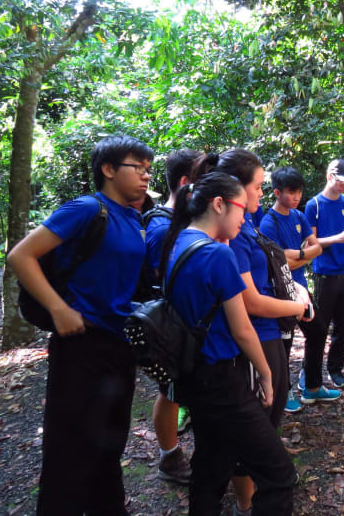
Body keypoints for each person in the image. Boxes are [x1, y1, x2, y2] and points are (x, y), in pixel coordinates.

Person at [8, 135, 154, 515]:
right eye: (136, 167)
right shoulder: (88, 209)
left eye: (148, 169)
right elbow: (21, 255)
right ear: (108, 170)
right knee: (70, 449)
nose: (145, 176)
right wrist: (58, 308)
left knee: (110, 442)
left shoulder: (134, 218)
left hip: (117, 344)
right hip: (80, 344)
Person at [159, 170, 295, 516]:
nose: (245, 216)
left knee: (210, 463)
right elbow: (242, 329)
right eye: (240, 209)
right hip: (223, 379)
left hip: (193, 376)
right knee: (278, 473)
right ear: (218, 205)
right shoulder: (218, 255)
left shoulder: (178, 243)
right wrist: (266, 374)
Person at [202, 150, 309, 515]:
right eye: (259, 187)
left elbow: (275, 262)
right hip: (257, 337)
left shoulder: (248, 222)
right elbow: (250, 301)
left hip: (270, 334)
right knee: (256, 430)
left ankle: (245, 499)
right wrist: (298, 307)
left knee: (263, 423)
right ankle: (246, 502)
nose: (263, 194)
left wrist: (297, 286)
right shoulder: (230, 236)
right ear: (235, 189)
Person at [144, 148, 200, 485]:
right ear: (185, 183)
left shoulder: (182, 220)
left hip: (190, 326)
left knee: (178, 390)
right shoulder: (162, 227)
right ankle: (170, 456)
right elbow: (162, 278)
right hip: (173, 327)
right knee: (170, 391)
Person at [259, 166, 323, 413]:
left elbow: (316, 247)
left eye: (299, 192)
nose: (296, 197)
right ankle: (282, 393)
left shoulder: (298, 216)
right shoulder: (269, 222)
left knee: (317, 331)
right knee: (283, 346)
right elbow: (275, 261)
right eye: (291, 192)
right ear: (277, 192)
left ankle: (312, 385)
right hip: (280, 293)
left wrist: (295, 256)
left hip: (302, 290)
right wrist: (303, 254)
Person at [301, 158, 344, 398]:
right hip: (324, 271)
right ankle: (310, 374)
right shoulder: (314, 205)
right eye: (340, 181)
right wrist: (336, 238)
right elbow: (310, 242)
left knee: (343, 325)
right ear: (329, 177)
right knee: (319, 326)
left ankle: (336, 369)